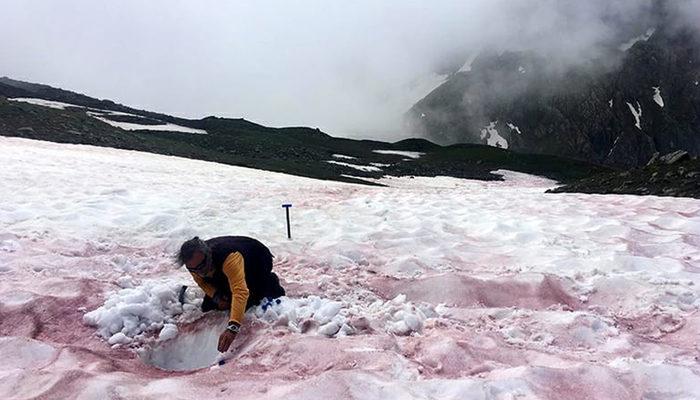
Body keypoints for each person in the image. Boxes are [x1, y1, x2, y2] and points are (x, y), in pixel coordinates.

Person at [177, 236, 285, 352]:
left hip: (257, 259)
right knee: (210, 306)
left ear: (208, 255)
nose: (199, 272)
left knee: (248, 302)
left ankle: (270, 282)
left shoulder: (229, 257)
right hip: (221, 268)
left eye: (201, 266)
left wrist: (233, 328)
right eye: (193, 270)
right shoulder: (193, 264)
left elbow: (240, 292)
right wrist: (217, 297)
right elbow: (201, 282)